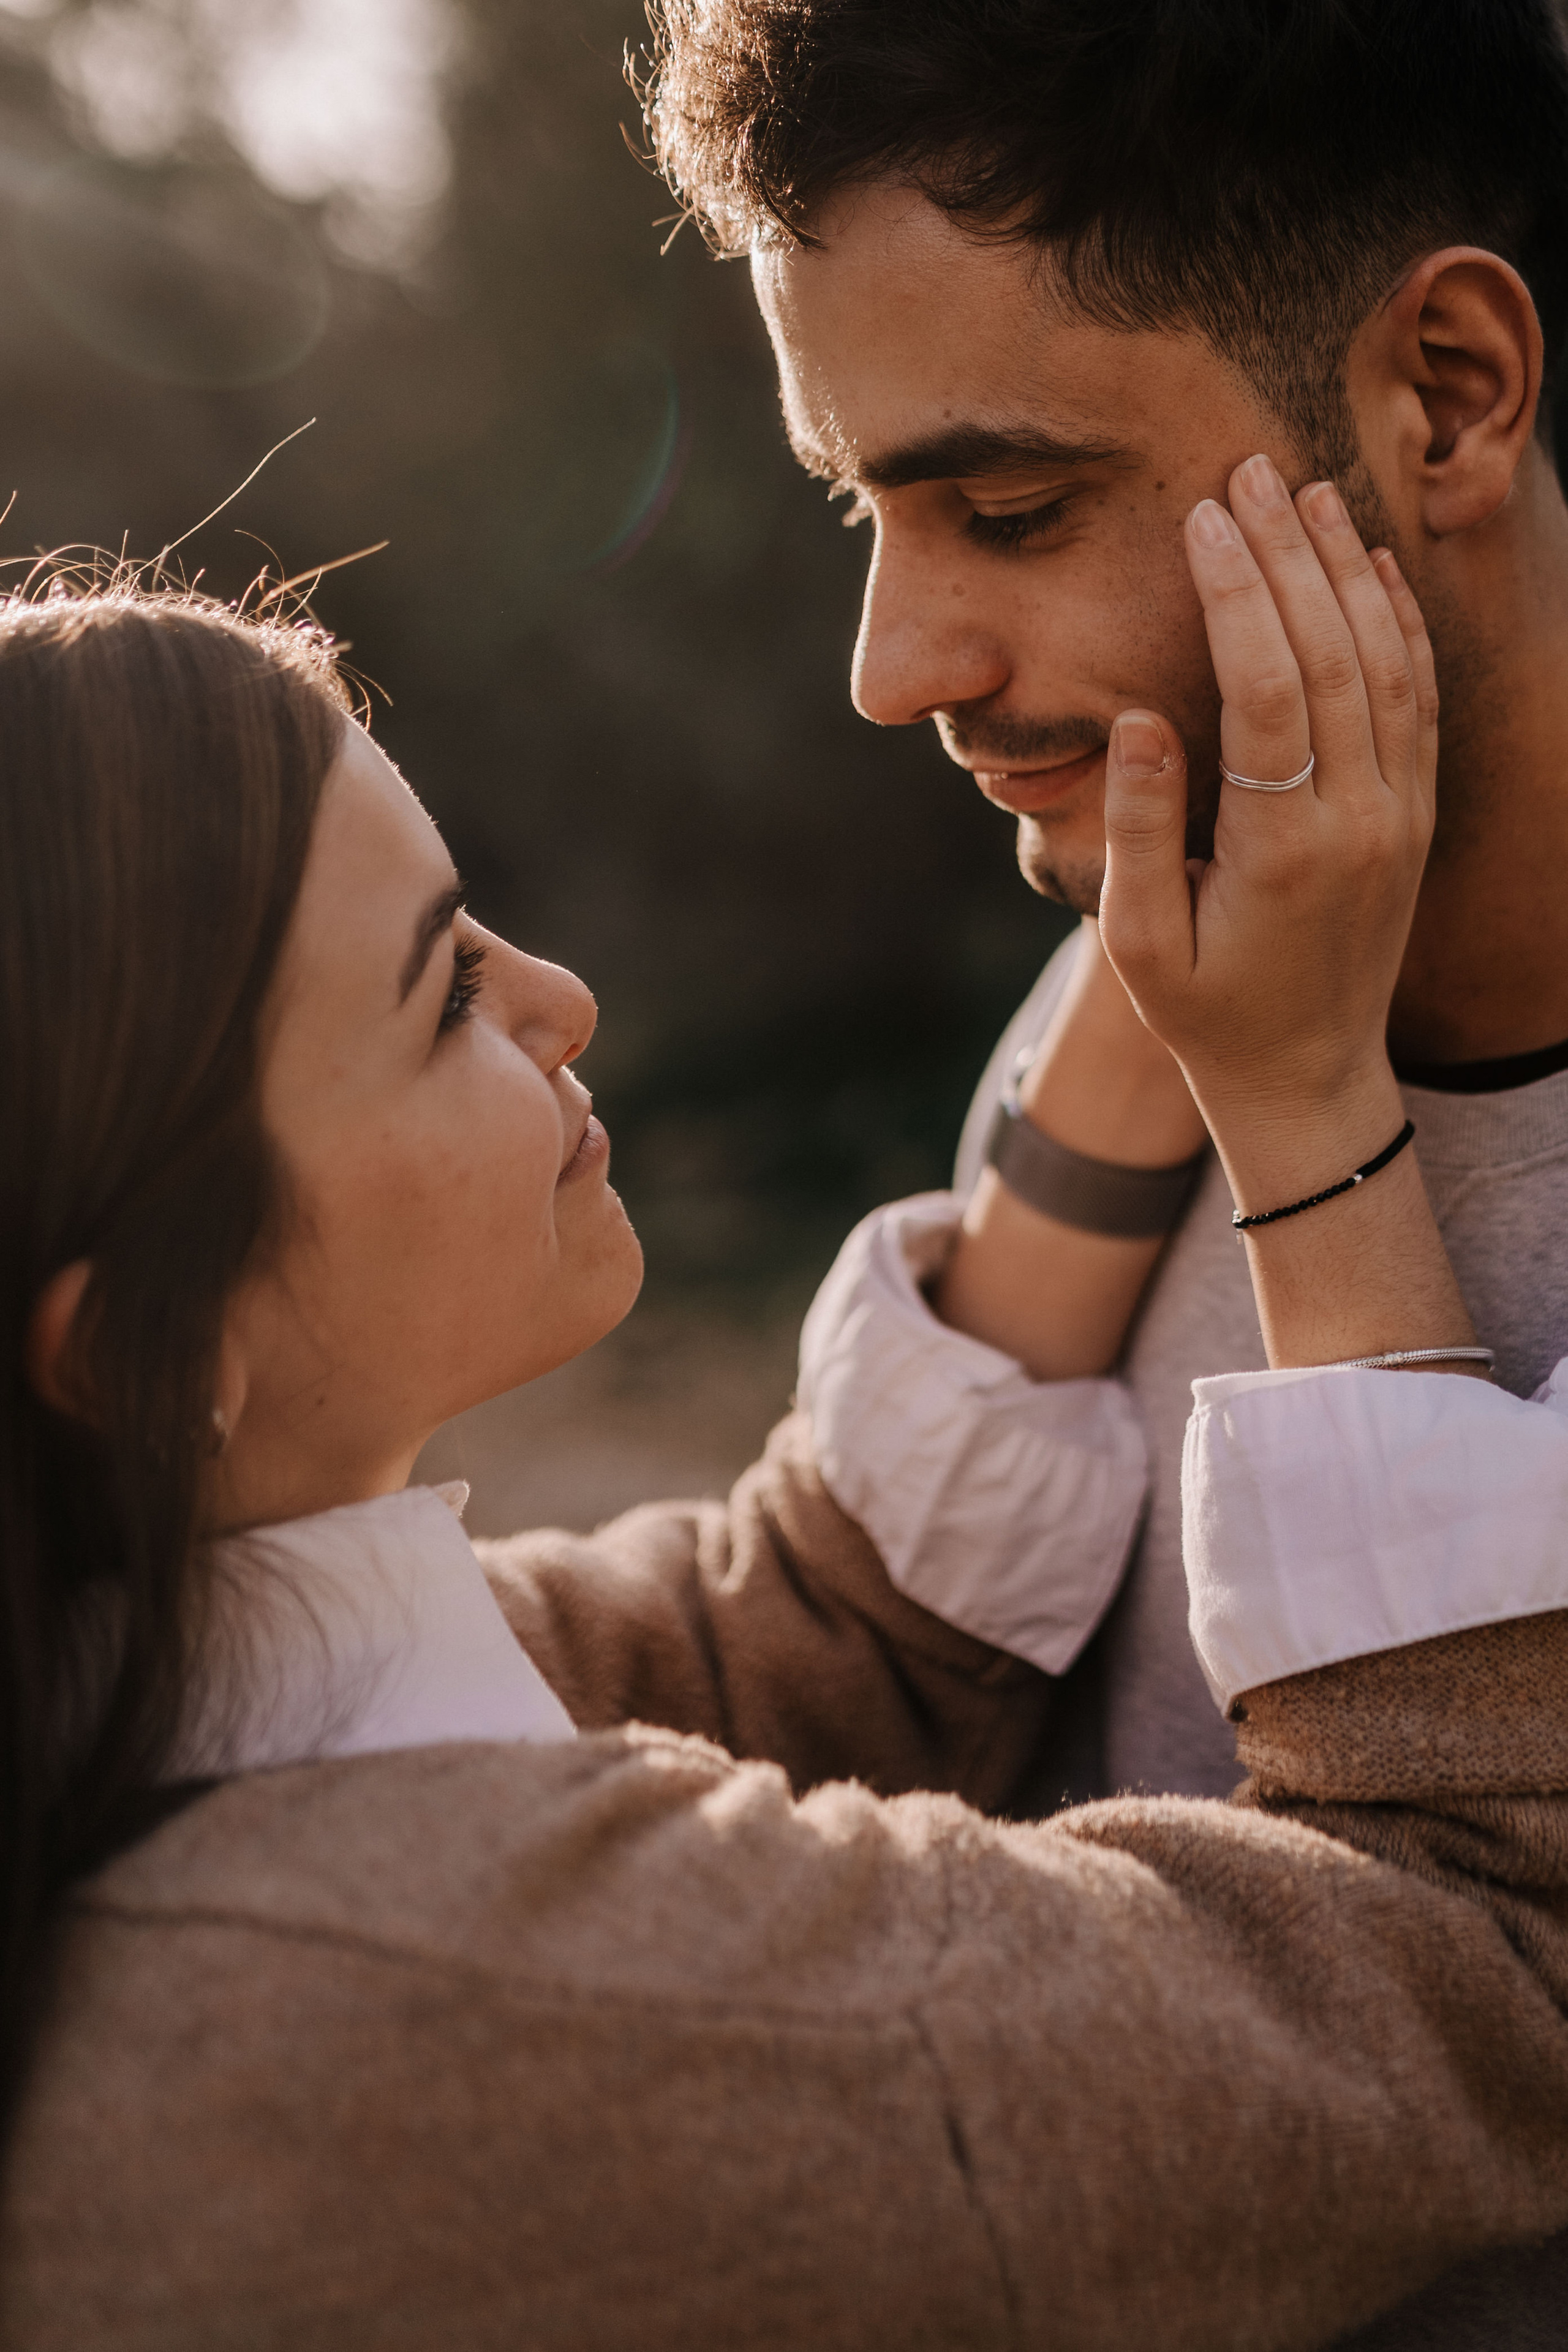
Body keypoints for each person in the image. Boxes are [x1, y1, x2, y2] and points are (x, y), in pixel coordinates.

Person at [1, 510, 1567, 2345]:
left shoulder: (122, 1694)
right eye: (444, 995)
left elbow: (831, 1629)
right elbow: (1483, 1959)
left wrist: (1163, 915)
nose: (562, 1000)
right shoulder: (475, 2010)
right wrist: (1302, 1106)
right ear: (138, 1355)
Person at [641, 0, 1568, 1815]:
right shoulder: (1140, 1011)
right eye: (861, 516)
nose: (892, 673)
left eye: (1009, 507)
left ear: (1447, 395)